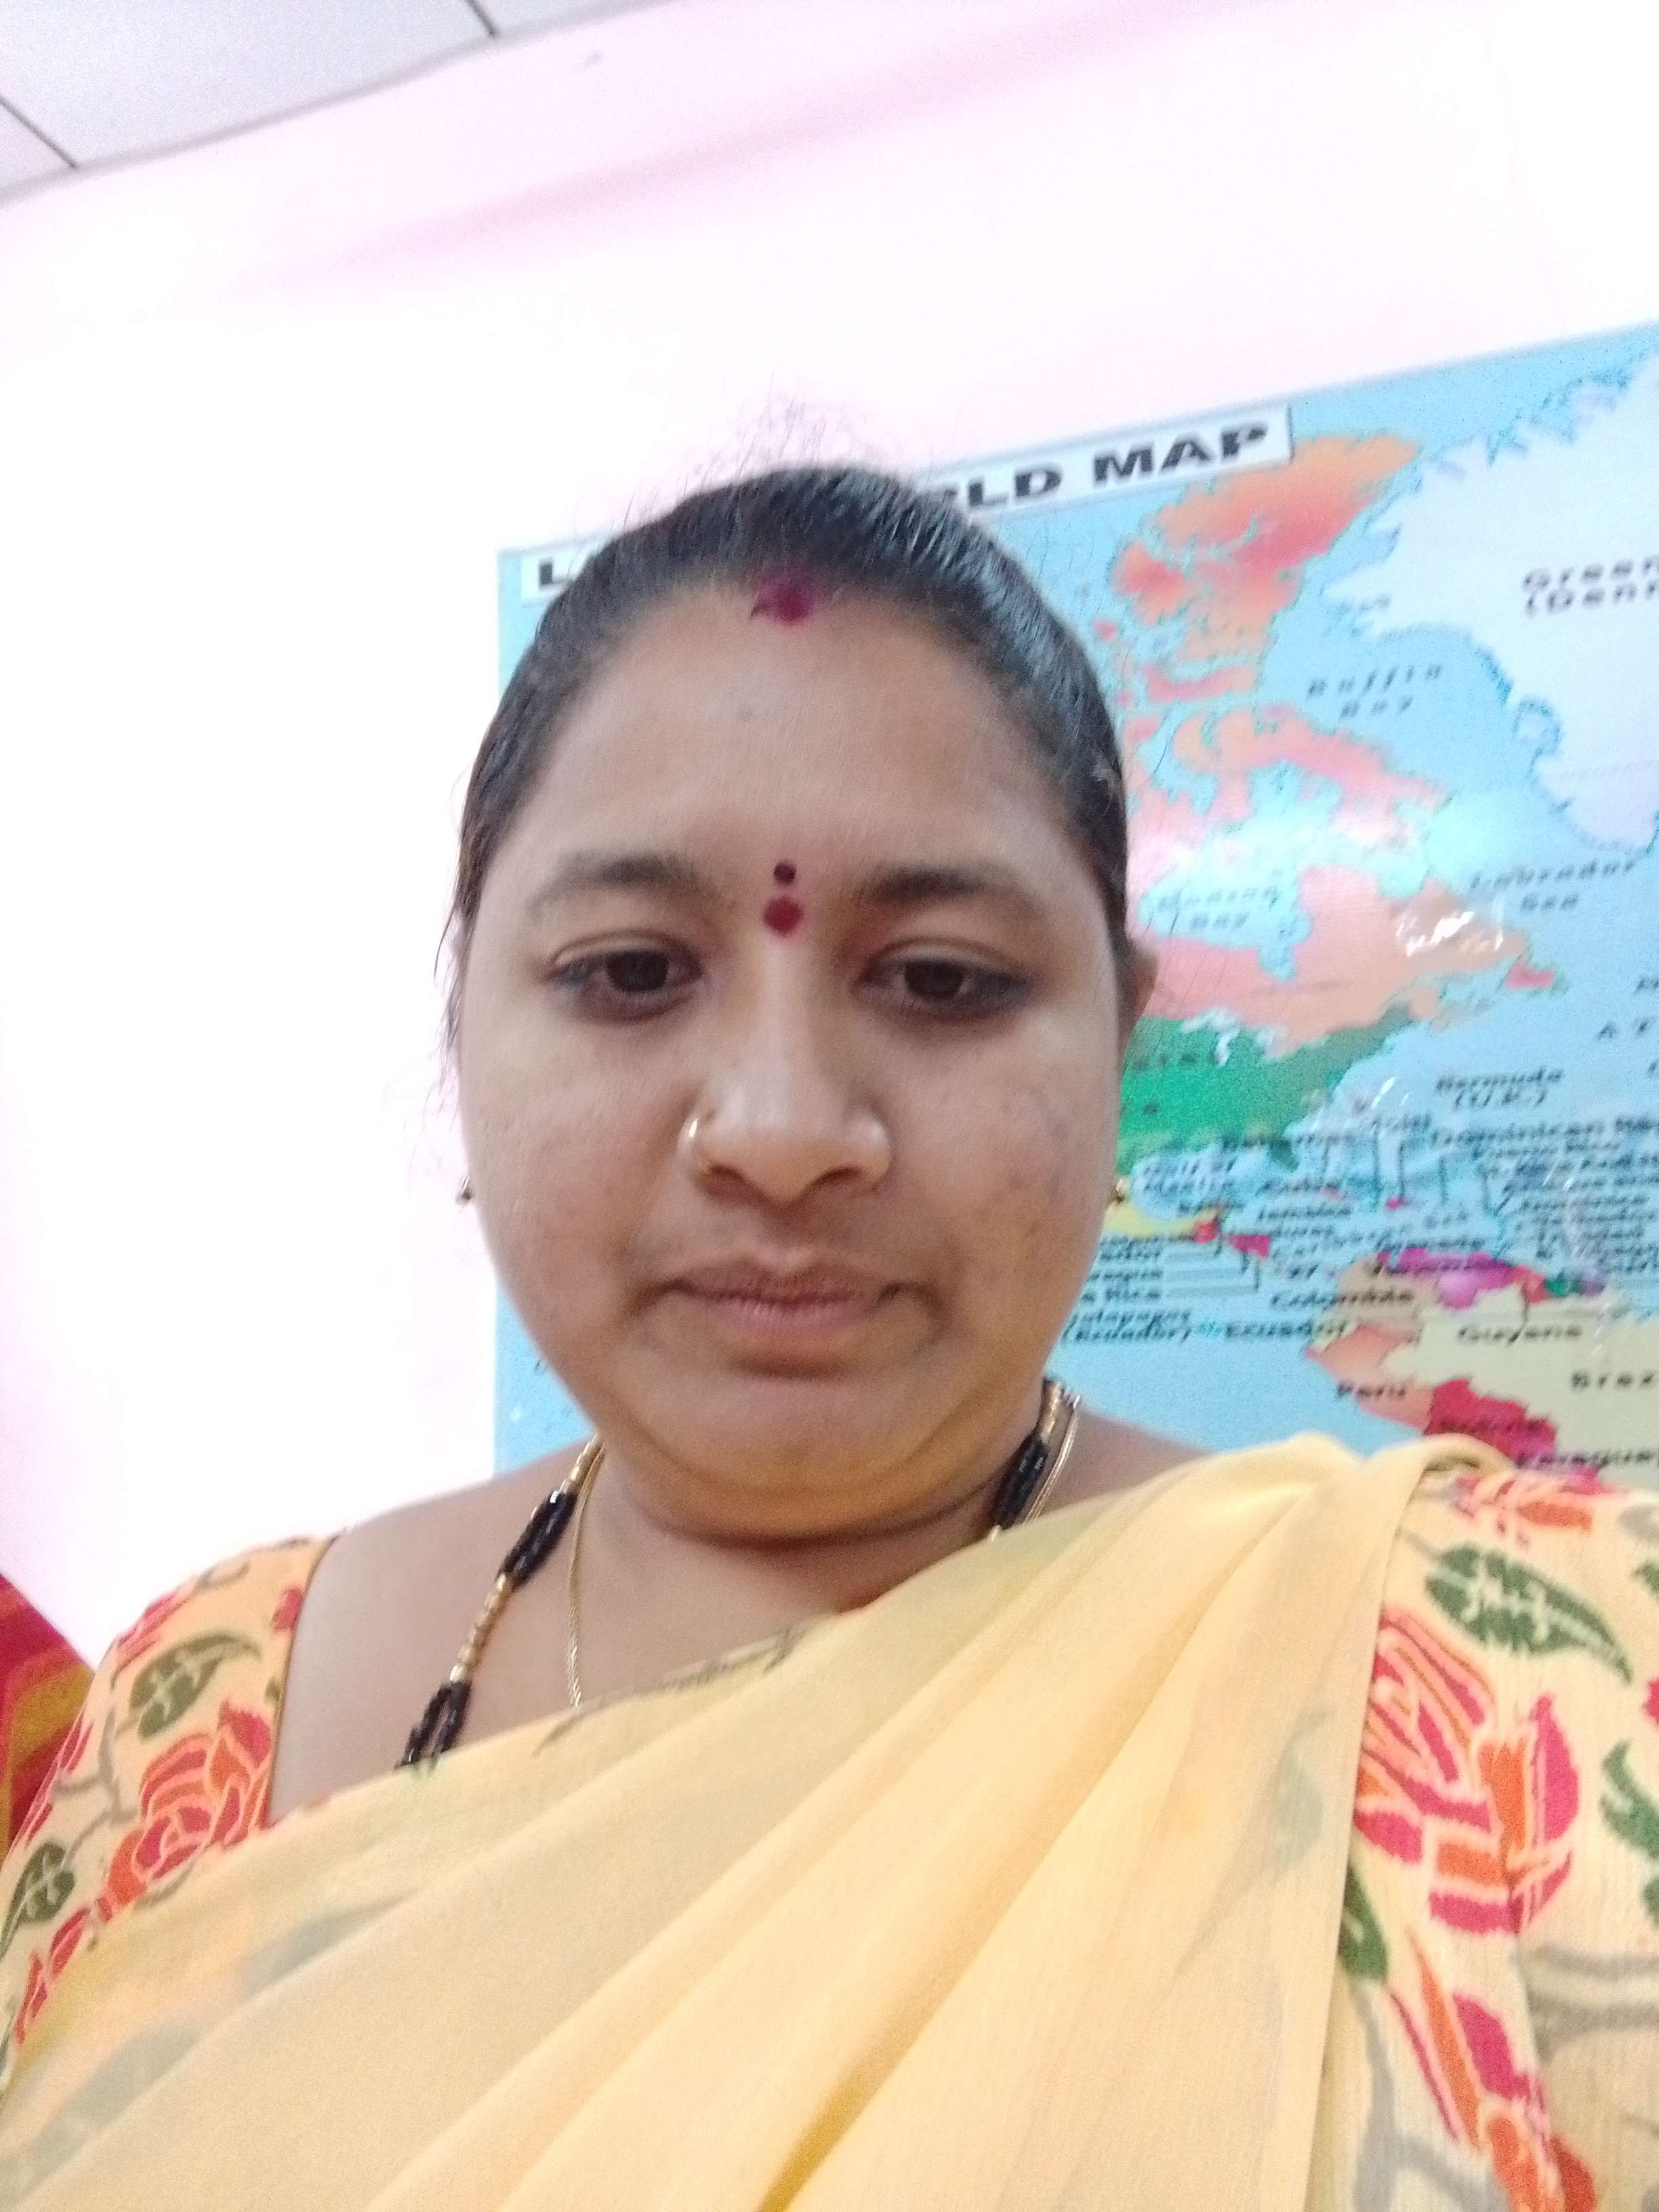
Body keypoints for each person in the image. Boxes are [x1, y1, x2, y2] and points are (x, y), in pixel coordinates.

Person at [1, 466, 1654, 2209]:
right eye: (631, 972)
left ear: (1121, 1041)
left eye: (942, 978)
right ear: (462, 1025)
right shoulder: (201, 1711)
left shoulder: (1543, 1692)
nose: (782, 1129)